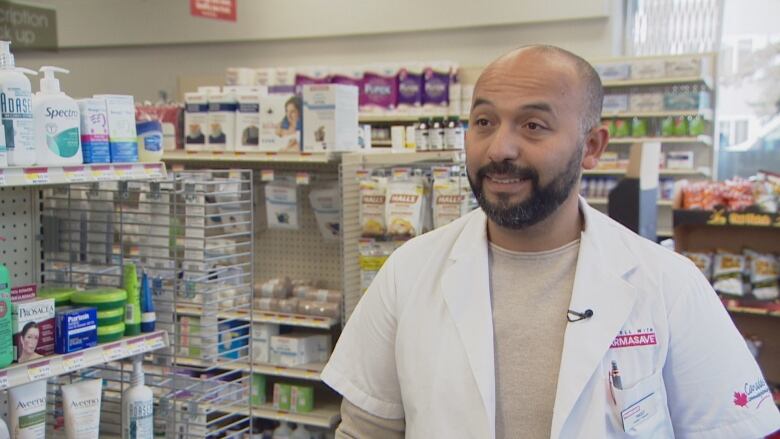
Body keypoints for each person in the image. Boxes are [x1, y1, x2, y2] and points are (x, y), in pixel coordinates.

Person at [322, 45, 780, 438]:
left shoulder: (668, 283)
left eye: (533, 125)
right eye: (484, 121)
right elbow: (367, 429)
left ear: (593, 147)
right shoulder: (410, 271)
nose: (499, 148)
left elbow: (733, 427)